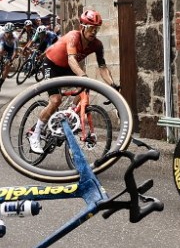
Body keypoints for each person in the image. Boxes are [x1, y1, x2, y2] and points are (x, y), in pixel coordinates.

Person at [27, 10, 118, 154]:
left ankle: (70, 112)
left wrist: (112, 85)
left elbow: (102, 67)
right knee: (56, 100)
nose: (94, 31)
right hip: (51, 64)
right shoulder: (73, 36)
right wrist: (82, 75)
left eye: (96, 29)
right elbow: (71, 59)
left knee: (85, 86)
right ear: (83, 26)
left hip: (67, 68)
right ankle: (35, 134)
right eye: (91, 28)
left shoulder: (97, 45)